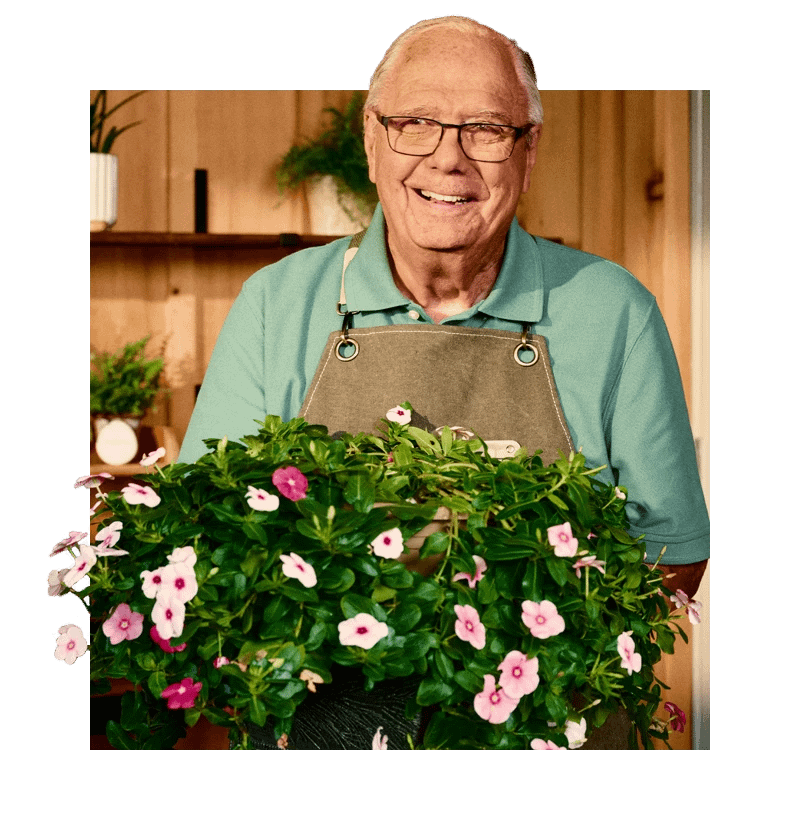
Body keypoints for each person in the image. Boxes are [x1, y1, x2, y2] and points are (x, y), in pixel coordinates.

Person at [178, 17, 709, 747]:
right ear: (372, 140)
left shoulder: (613, 312)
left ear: (528, 150)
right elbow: (202, 540)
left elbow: (671, 556)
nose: (448, 159)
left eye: (486, 128)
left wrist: (540, 666)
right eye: (416, 123)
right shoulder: (277, 305)